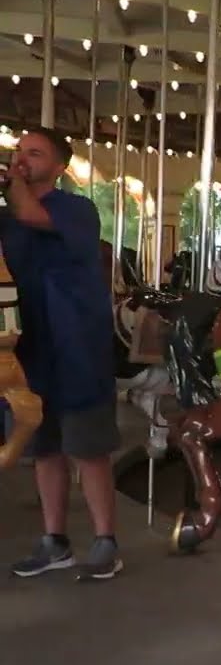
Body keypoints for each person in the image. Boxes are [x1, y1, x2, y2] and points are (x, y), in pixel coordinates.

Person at [0, 127, 122, 580]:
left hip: (76, 342)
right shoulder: (8, 216)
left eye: (33, 154)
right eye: (18, 153)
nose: (22, 160)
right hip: (29, 344)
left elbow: (32, 214)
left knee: (87, 447)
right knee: (43, 446)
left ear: (59, 166)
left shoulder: (76, 210)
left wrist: (11, 181)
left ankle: (105, 540)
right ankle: (55, 541)